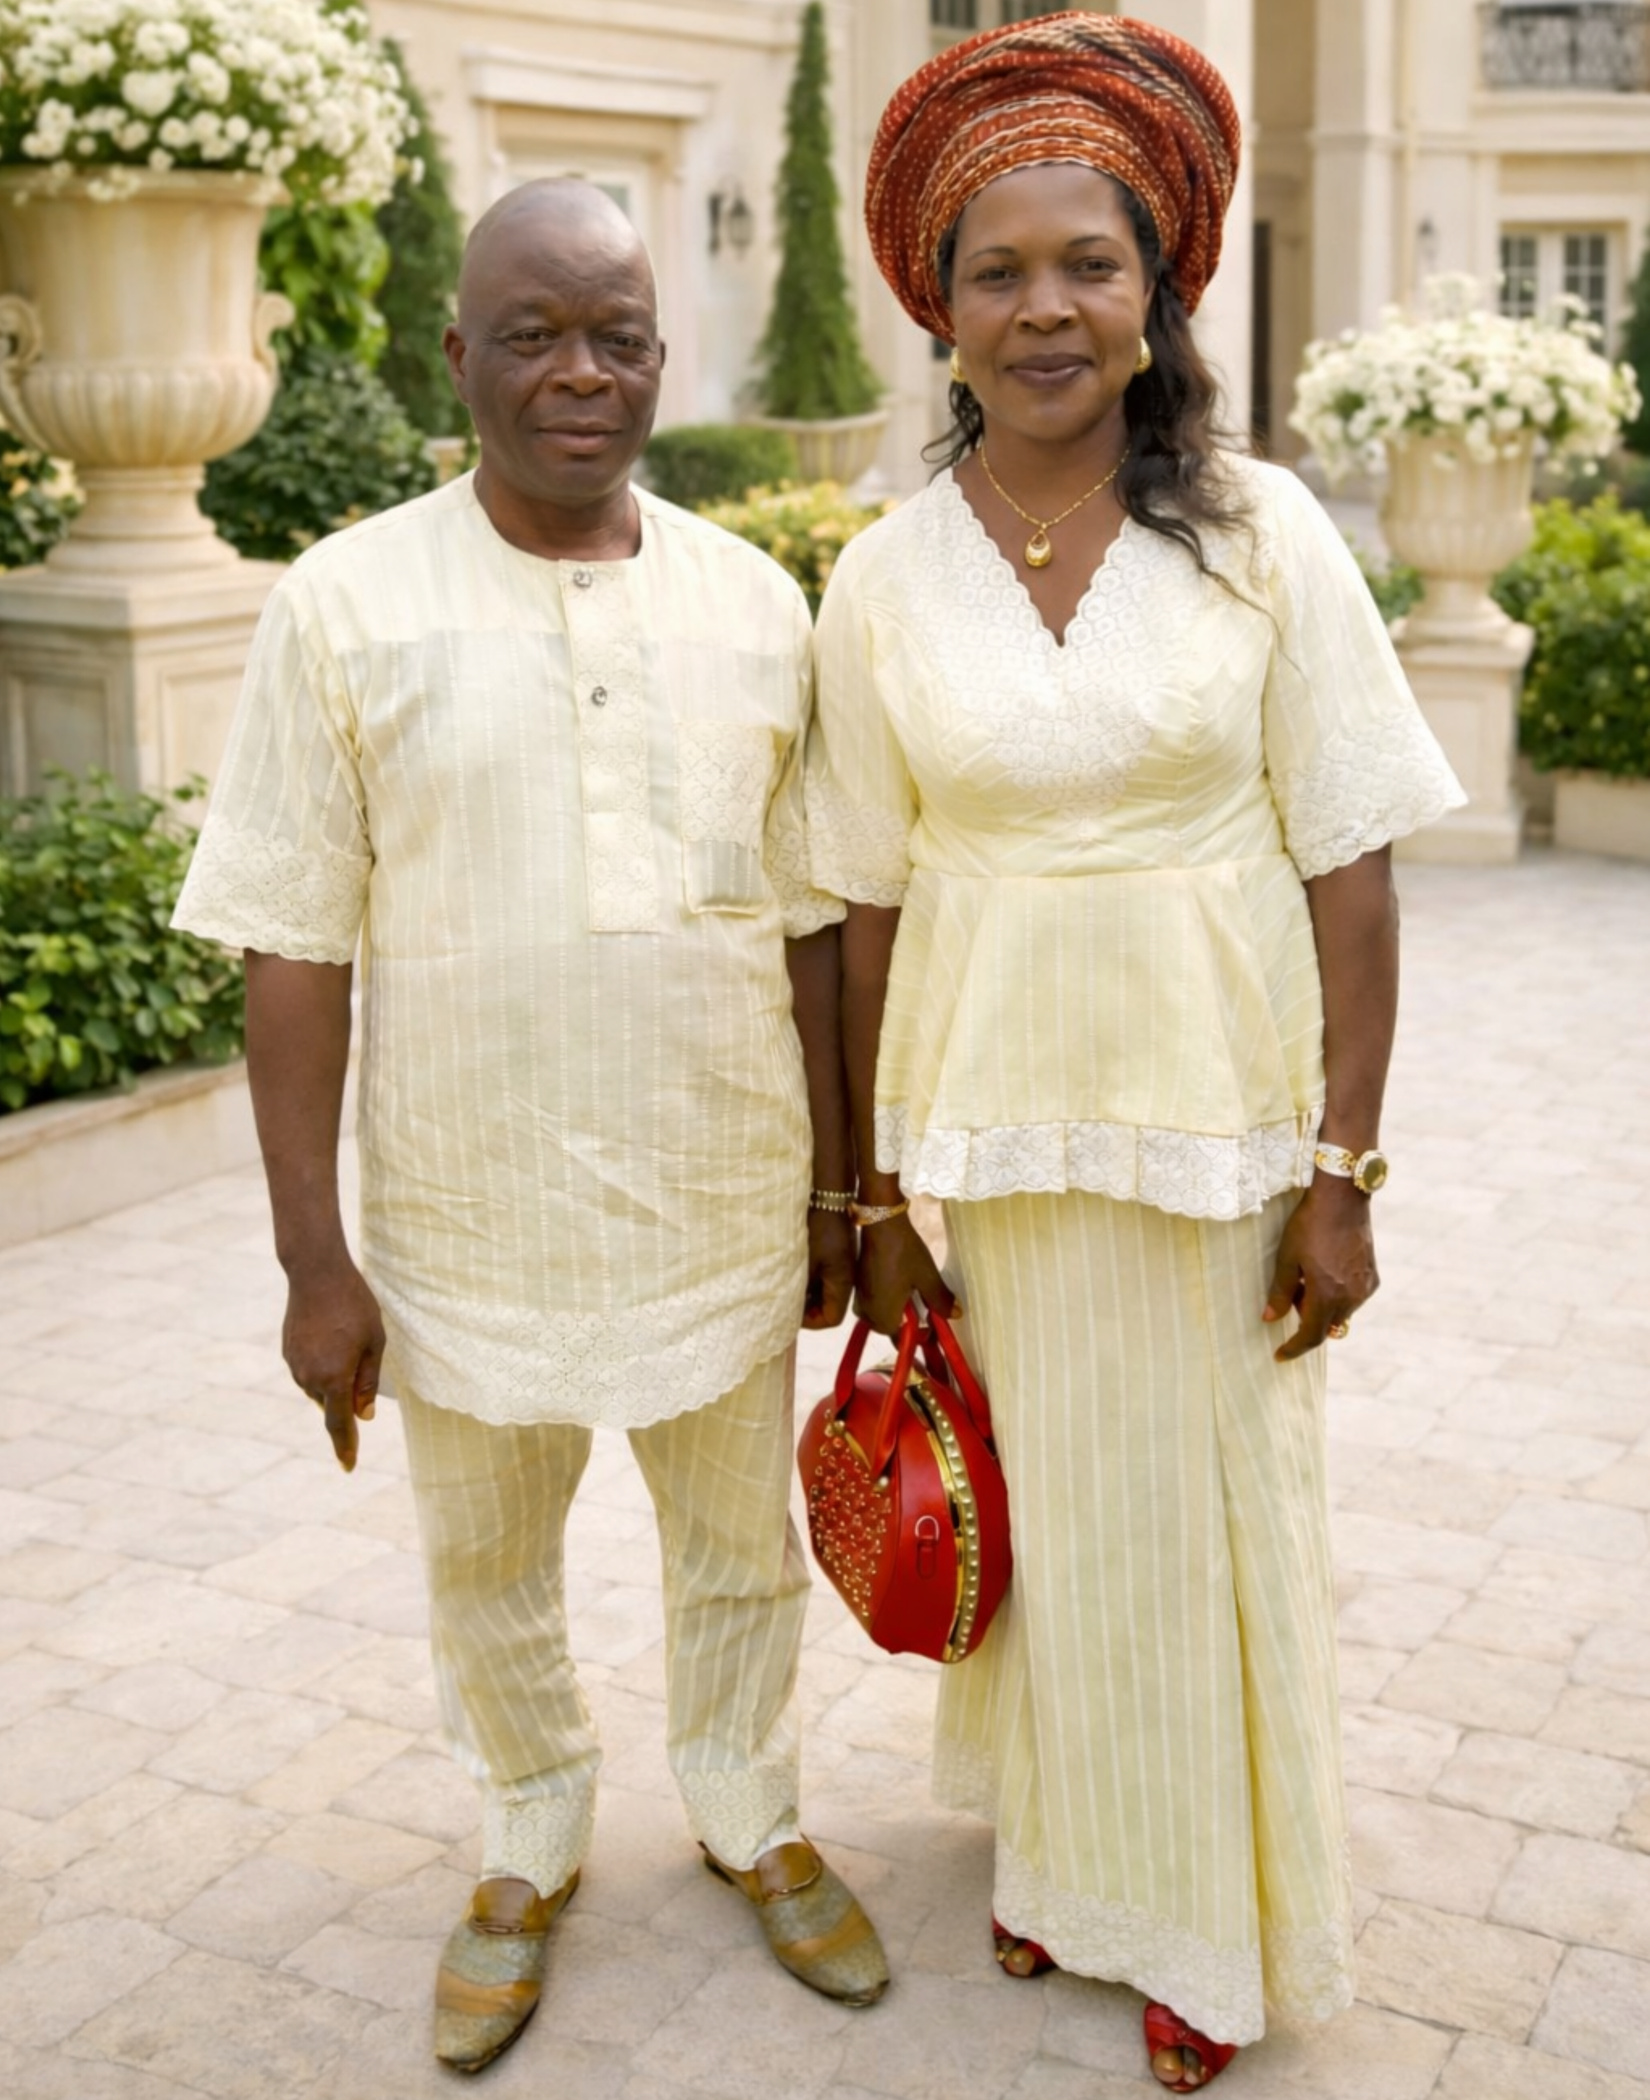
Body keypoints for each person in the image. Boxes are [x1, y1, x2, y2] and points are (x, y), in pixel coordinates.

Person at [807, 16, 1463, 2092]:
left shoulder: (1261, 533)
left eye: (1087, 264)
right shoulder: (880, 576)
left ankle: (1199, 1918)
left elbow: (1352, 864)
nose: (1044, 309)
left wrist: (1343, 1174)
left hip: (1219, 1132)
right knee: (1056, 1517)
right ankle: (1068, 1857)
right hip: (993, 1134)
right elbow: (862, 898)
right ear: (939, 306)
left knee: (1203, 1523)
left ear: (1155, 286)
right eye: (996, 271)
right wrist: (872, 1194)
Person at [173, 177, 888, 2076]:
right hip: (466, 1207)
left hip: (719, 1186)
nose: (582, 373)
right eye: (534, 336)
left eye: (618, 338)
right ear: (457, 355)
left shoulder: (754, 605)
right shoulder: (346, 604)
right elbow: (290, 948)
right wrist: (312, 1262)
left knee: (738, 1548)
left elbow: (811, 928)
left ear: (662, 354)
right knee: (485, 1561)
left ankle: (749, 1806)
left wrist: (838, 1190)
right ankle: (526, 1834)